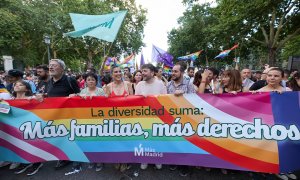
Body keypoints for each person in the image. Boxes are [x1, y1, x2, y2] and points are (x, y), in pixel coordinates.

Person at [166, 62, 195, 176]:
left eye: (175, 71)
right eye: (172, 71)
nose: (173, 73)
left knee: (184, 143)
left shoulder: (189, 85)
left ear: (182, 72)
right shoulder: (168, 85)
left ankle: (184, 165)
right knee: (173, 141)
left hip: (185, 119)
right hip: (171, 119)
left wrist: (184, 95)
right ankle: (174, 161)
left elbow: (195, 102)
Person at [135, 64, 166, 170]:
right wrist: (141, 98)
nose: (142, 73)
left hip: (157, 117)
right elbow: (134, 102)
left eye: (145, 71)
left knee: (157, 139)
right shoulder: (139, 85)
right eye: (142, 71)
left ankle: (157, 158)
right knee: (145, 139)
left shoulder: (160, 84)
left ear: (152, 73)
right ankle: (145, 159)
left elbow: (165, 100)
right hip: (143, 117)